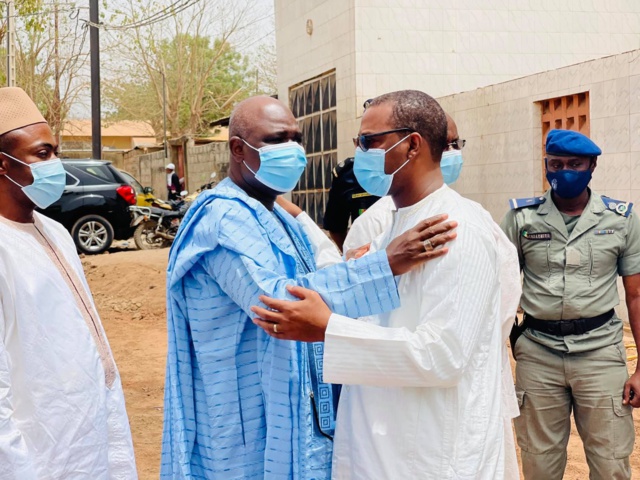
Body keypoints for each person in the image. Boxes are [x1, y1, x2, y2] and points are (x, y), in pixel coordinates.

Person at [160, 95, 457, 479]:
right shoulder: (222, 217)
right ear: (238, 149)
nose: (294, 151)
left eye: (296, 138)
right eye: (277, 139)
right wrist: (386, 264)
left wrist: (356, 270)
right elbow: (281, 304)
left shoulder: (272, 212)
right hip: (244, 424)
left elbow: (310, 279)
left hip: (290, 407)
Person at [251, 90, 521, 479]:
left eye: (369, 142)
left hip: (436, 455)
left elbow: (443, 355)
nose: (360, 153)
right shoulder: (391, 227)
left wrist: (329, 329)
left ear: (412, 145)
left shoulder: (457, 229)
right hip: (383, 445)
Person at [0, 87, 137, 477]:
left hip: (88, 428)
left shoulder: (55, 231)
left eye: (56, 152)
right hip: (39, 450)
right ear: (2, 164)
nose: (56, 164)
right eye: (43, 154)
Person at [500, 129, 640, 480]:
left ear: (592, 166)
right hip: (538, 353)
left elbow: (636, 295)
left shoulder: (621, 220)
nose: (564, 171)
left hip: (600, 354)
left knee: (611, 464)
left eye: (574, 164)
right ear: (546, 165)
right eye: (556, 163)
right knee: (539, 463)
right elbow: (497, 289)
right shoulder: (522, 218)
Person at [343, 112, 464, 253]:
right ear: (414, 145)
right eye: (443, 145)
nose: (451, 152)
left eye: (455, 144)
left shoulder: (467, 219)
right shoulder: (375, 220)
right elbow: (353, 266)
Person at [322, 156, 380, 250]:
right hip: (365, 257)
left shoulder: (407, 168)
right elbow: (336, 227)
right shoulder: (347, 174)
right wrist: (350, 252)